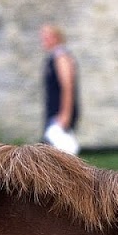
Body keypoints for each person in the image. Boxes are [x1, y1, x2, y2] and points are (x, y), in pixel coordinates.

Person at [40, 23, 81, 155]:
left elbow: (67, 86)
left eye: (46, 37)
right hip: (54, 112)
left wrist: (65, 114)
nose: (43, 40)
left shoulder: (61, 57)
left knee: (58, 153)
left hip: (60, 114)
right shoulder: (53, 57)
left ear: (56, 37)